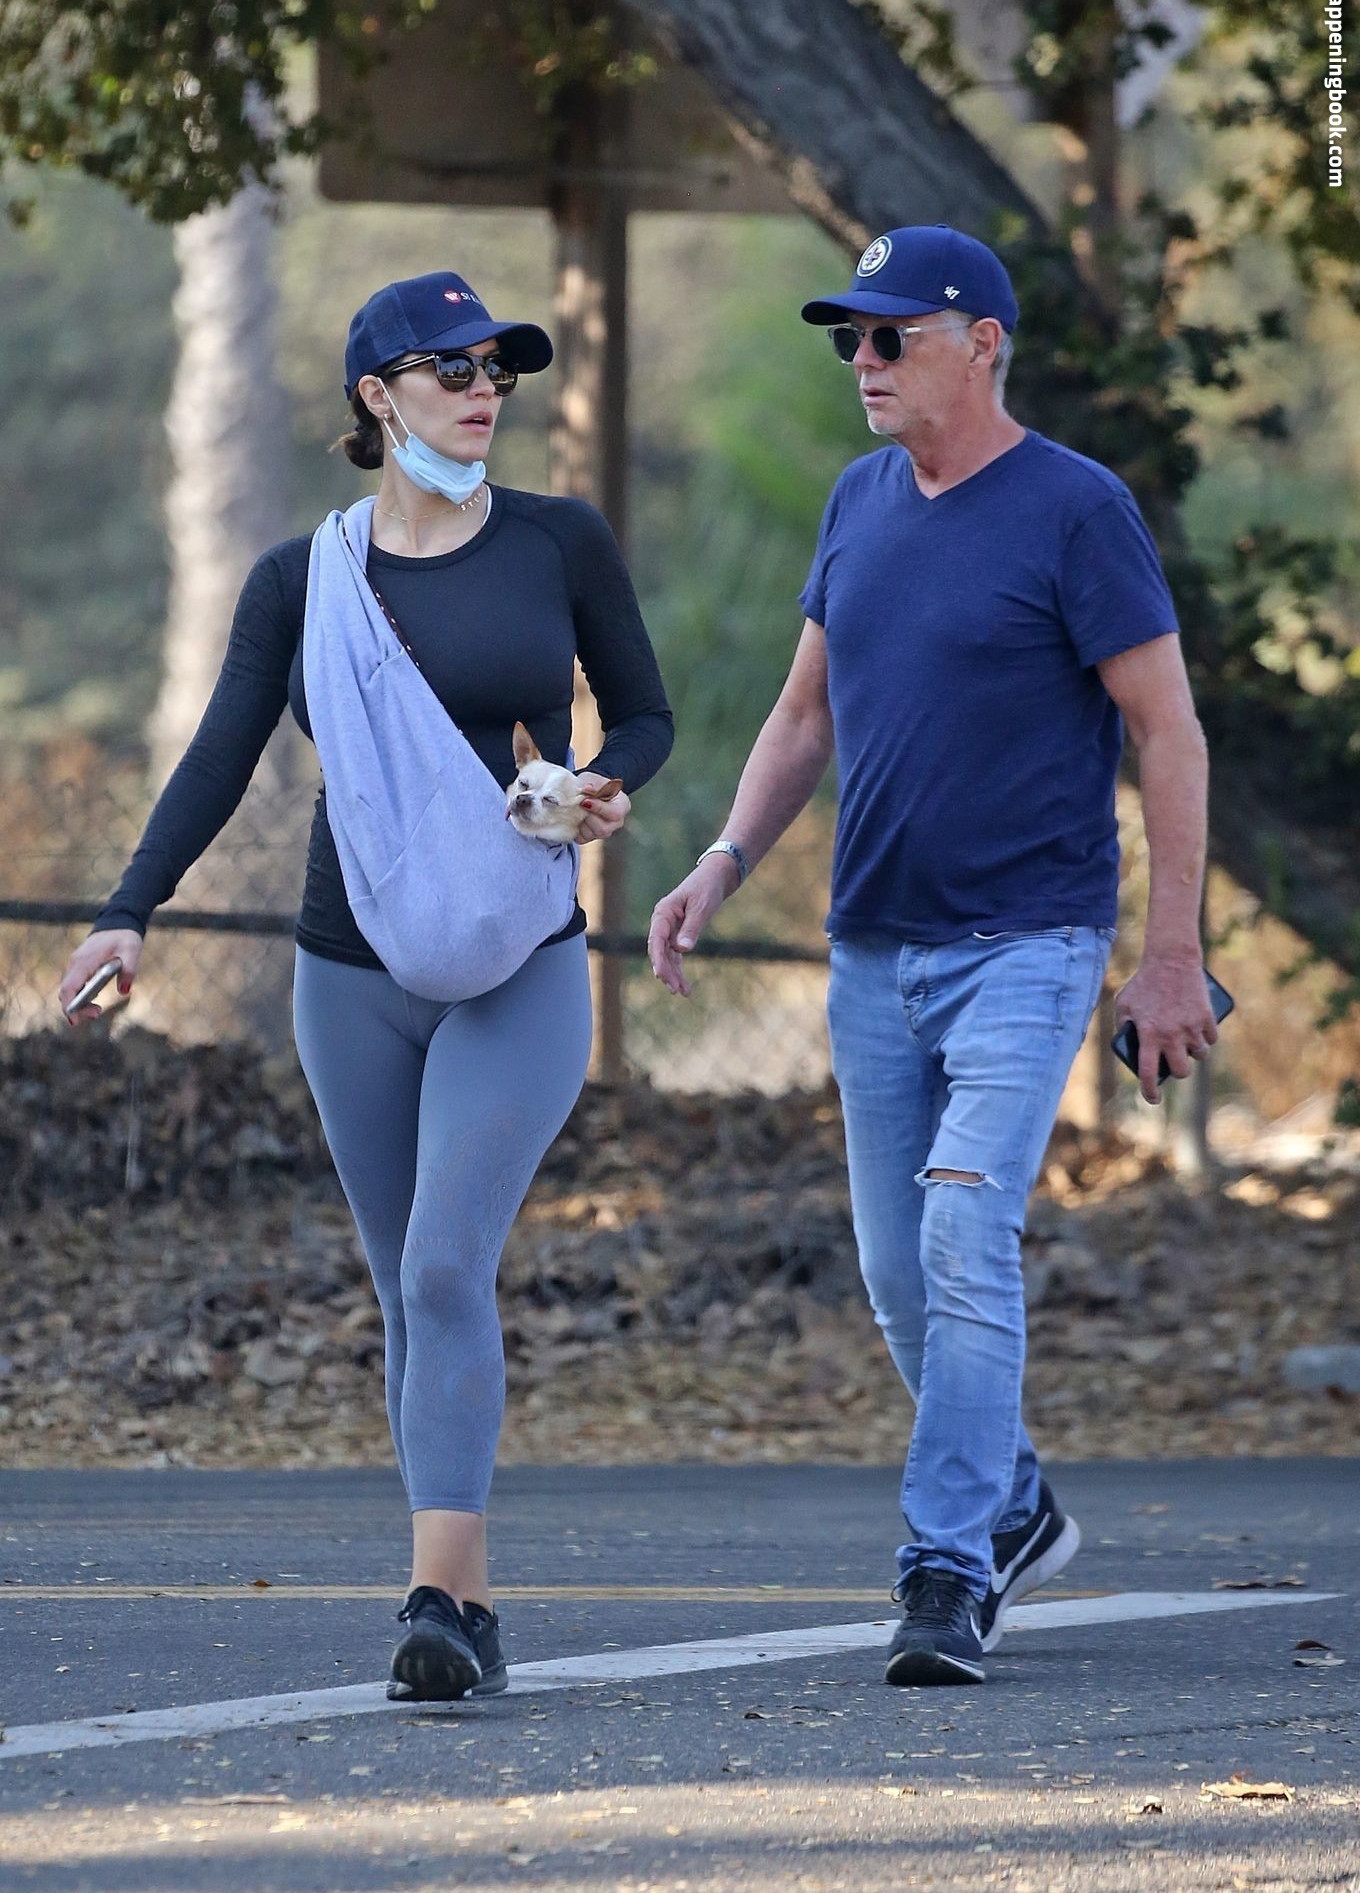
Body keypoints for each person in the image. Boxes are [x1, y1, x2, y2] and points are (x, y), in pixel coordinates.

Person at [58, 270, 673, 1702]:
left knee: (448, 1263)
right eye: (452, 368)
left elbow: (644, 713)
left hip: (518, 963)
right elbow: (221, 752)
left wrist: (601, 783)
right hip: (350, 971)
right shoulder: (303, 580)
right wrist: (128, 913)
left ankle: (433, 1596)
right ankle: (467, 1610)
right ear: (377, 398)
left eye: (499, 369)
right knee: (408, 1287)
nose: (484, 390)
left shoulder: (559, 542)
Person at [648, 225, 1216, 1687]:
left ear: (984, 344)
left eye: (892, 335)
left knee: (965, 1235)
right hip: (871, 954)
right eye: (851, 336)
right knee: (898, 1272)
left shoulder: (1077, 510)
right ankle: (1014, 1500)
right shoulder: (858, 501)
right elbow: (803, 716)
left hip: (1028, 943)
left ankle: (948, 1566)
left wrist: (1170, 953)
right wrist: (722, 862)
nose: (863, 360)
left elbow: (1166, 731)